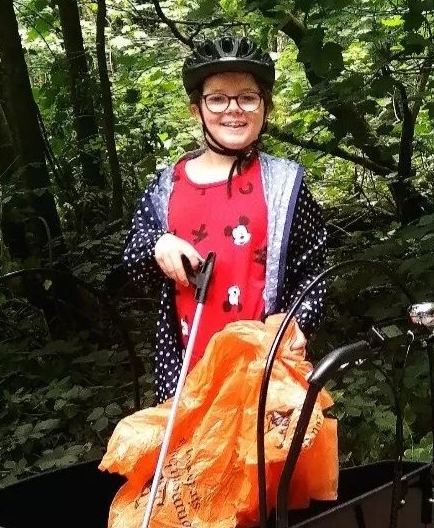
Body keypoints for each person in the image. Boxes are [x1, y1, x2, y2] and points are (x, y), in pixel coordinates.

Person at [122, 36, 327, 402]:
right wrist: (158, 243)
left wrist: (297, 320)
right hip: (187, 376)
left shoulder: (285, 184)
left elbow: (313, 268)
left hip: (265, 370)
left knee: (265, 462)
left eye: (247, 97)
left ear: (266, 107)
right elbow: (132, 266)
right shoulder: (167, 186)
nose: (233, 109)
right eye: (217, 98)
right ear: (196, 109)